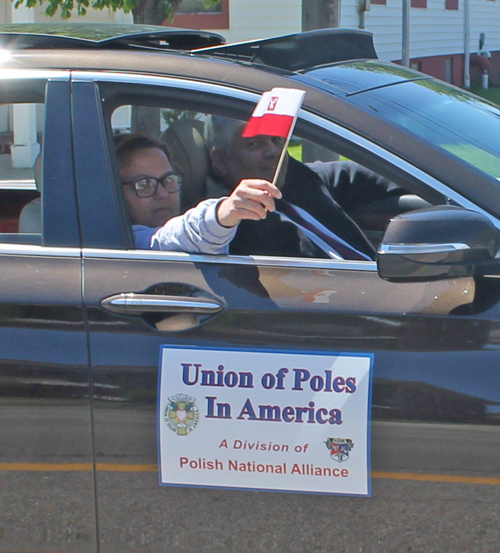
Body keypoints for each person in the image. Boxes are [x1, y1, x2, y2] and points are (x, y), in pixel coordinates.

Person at [204, 116, 403, 260]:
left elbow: (369, 175)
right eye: (254, 144)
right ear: (220, 161)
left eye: (277, 139)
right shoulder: (229, 228)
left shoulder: (296, 178)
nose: (274, 151)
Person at [115, 133, 281, 254]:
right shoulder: (128, 242)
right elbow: (167, 238)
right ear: (114, 193)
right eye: (144, 184)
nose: (163, 194)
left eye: (169, 179)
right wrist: (223, 213)